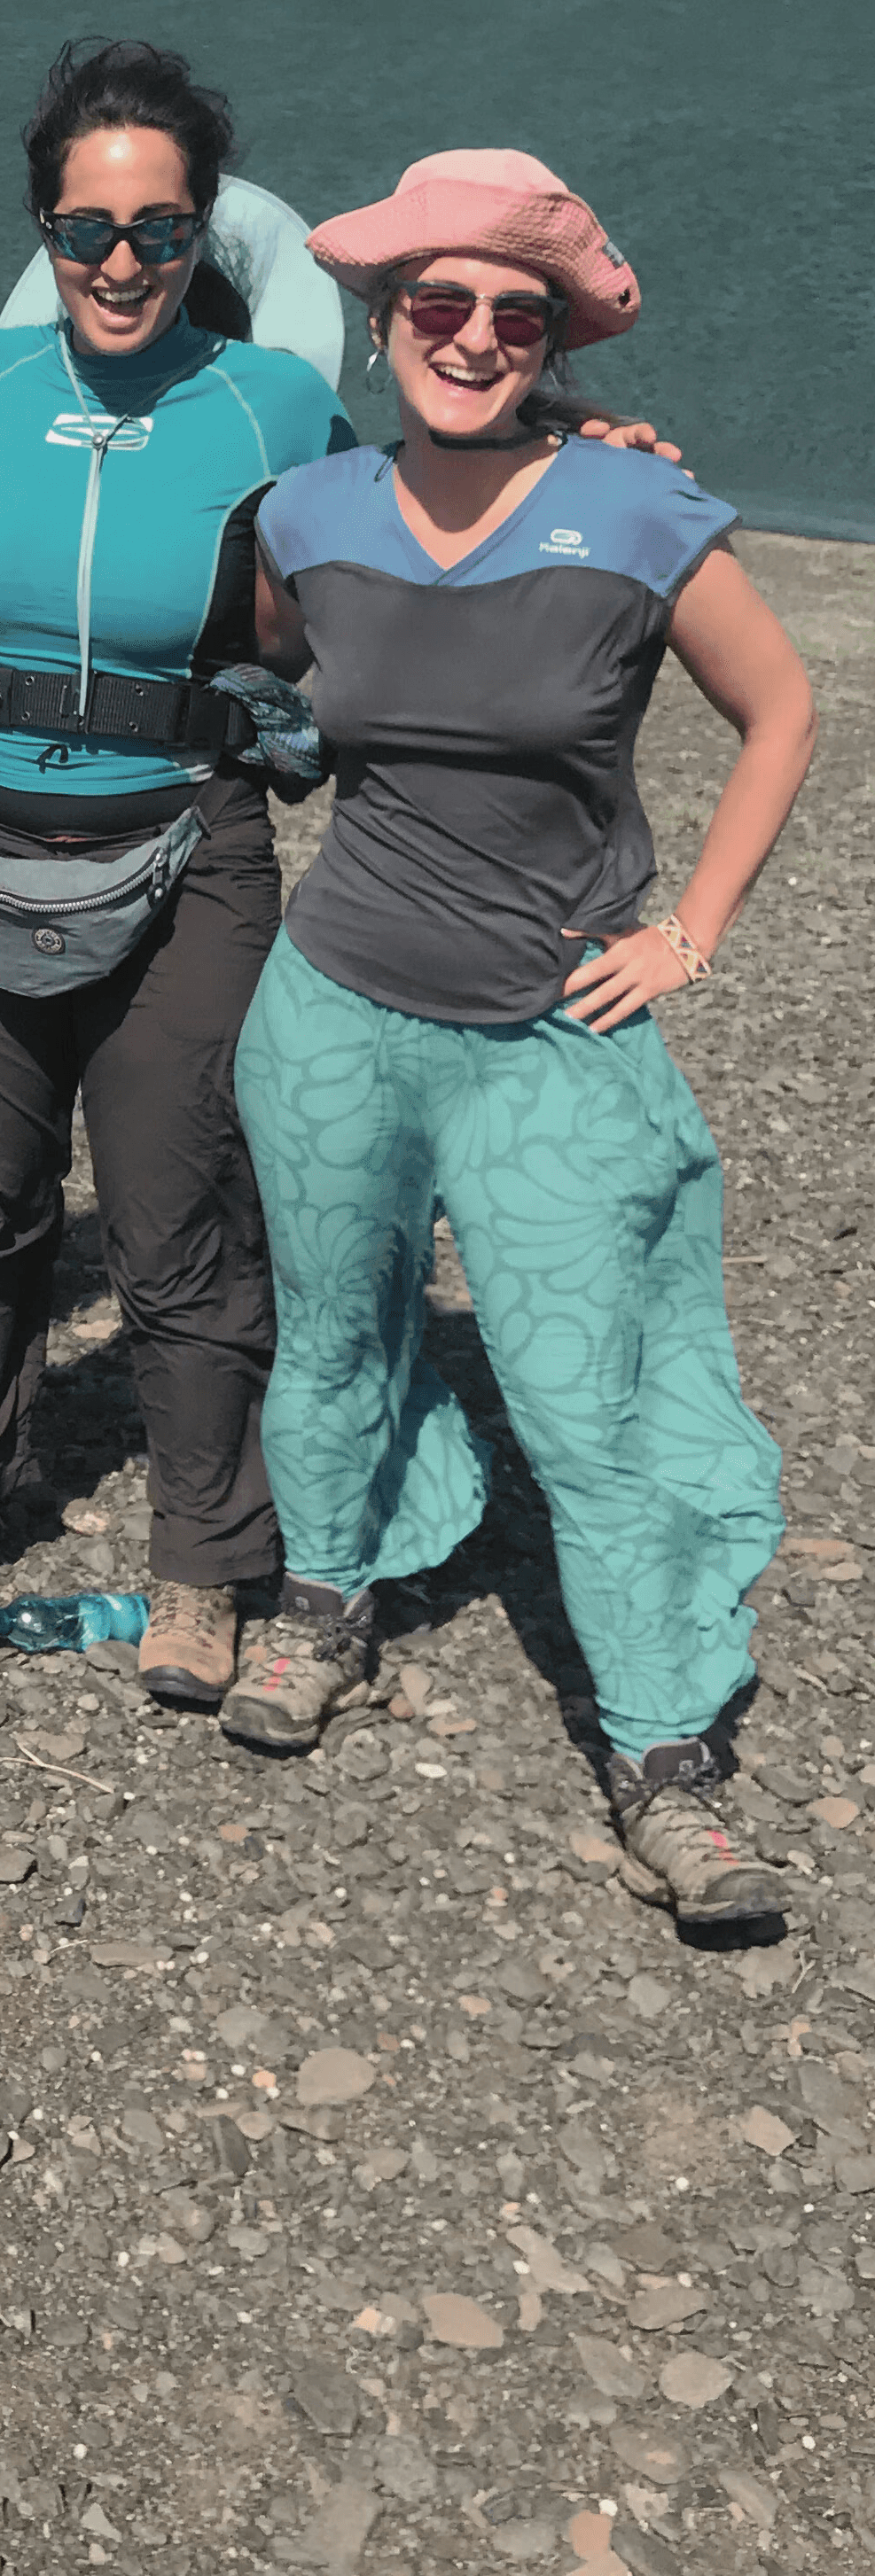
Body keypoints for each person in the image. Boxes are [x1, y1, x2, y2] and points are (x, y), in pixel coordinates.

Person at [225, 152, 815, 1925]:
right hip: (332, 1009)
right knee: (329, 1338)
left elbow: (781, 709)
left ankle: (662, 1758)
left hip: (552, 1028)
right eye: (439, 304)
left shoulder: (641, 511)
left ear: (550, 335)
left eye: (513, 312)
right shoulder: (310, 512)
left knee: (590, 1403)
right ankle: (325, 1605)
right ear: (388, 317)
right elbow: (283, 678)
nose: (473, 336)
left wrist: (689, 931)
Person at [0, 42, 350, 1687]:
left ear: (202, 231)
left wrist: (595, 439)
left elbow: (426, 526)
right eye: (85, 231)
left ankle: (205, 1560)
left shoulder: (273, 400)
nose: (120, 262)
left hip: (188, 845)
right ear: (43, 231)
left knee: (180, 1213)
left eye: (155, 230)